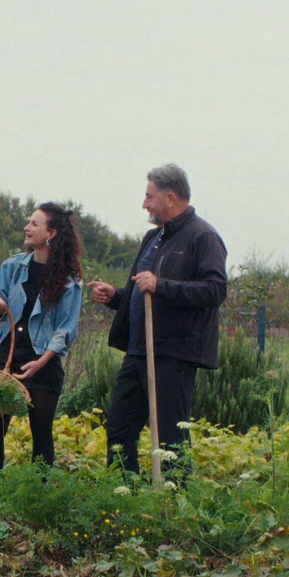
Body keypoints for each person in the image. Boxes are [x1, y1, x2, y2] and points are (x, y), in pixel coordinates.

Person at [87, 164, 227, 478]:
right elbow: (145, 295)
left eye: (149, 197)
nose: (145, 204)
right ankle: (125, 499)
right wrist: (116, 297)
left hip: (173, 354)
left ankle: (174, 507)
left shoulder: (203, 237)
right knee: (120, 429)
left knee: (170, 439)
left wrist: (161, 285)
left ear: (170, 197)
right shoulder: (154, 237)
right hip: (138, 350)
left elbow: (215, 290)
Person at [0, 203, 84, 474]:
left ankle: (38, 496)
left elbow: (66, 329)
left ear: (51, 233)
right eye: (29, 222)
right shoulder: (12, 267)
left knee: (40, 430)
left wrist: (42, 362)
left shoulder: (69, 281)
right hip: (9, 353)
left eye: (35, 224)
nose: (27, 227)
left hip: (44, 360)